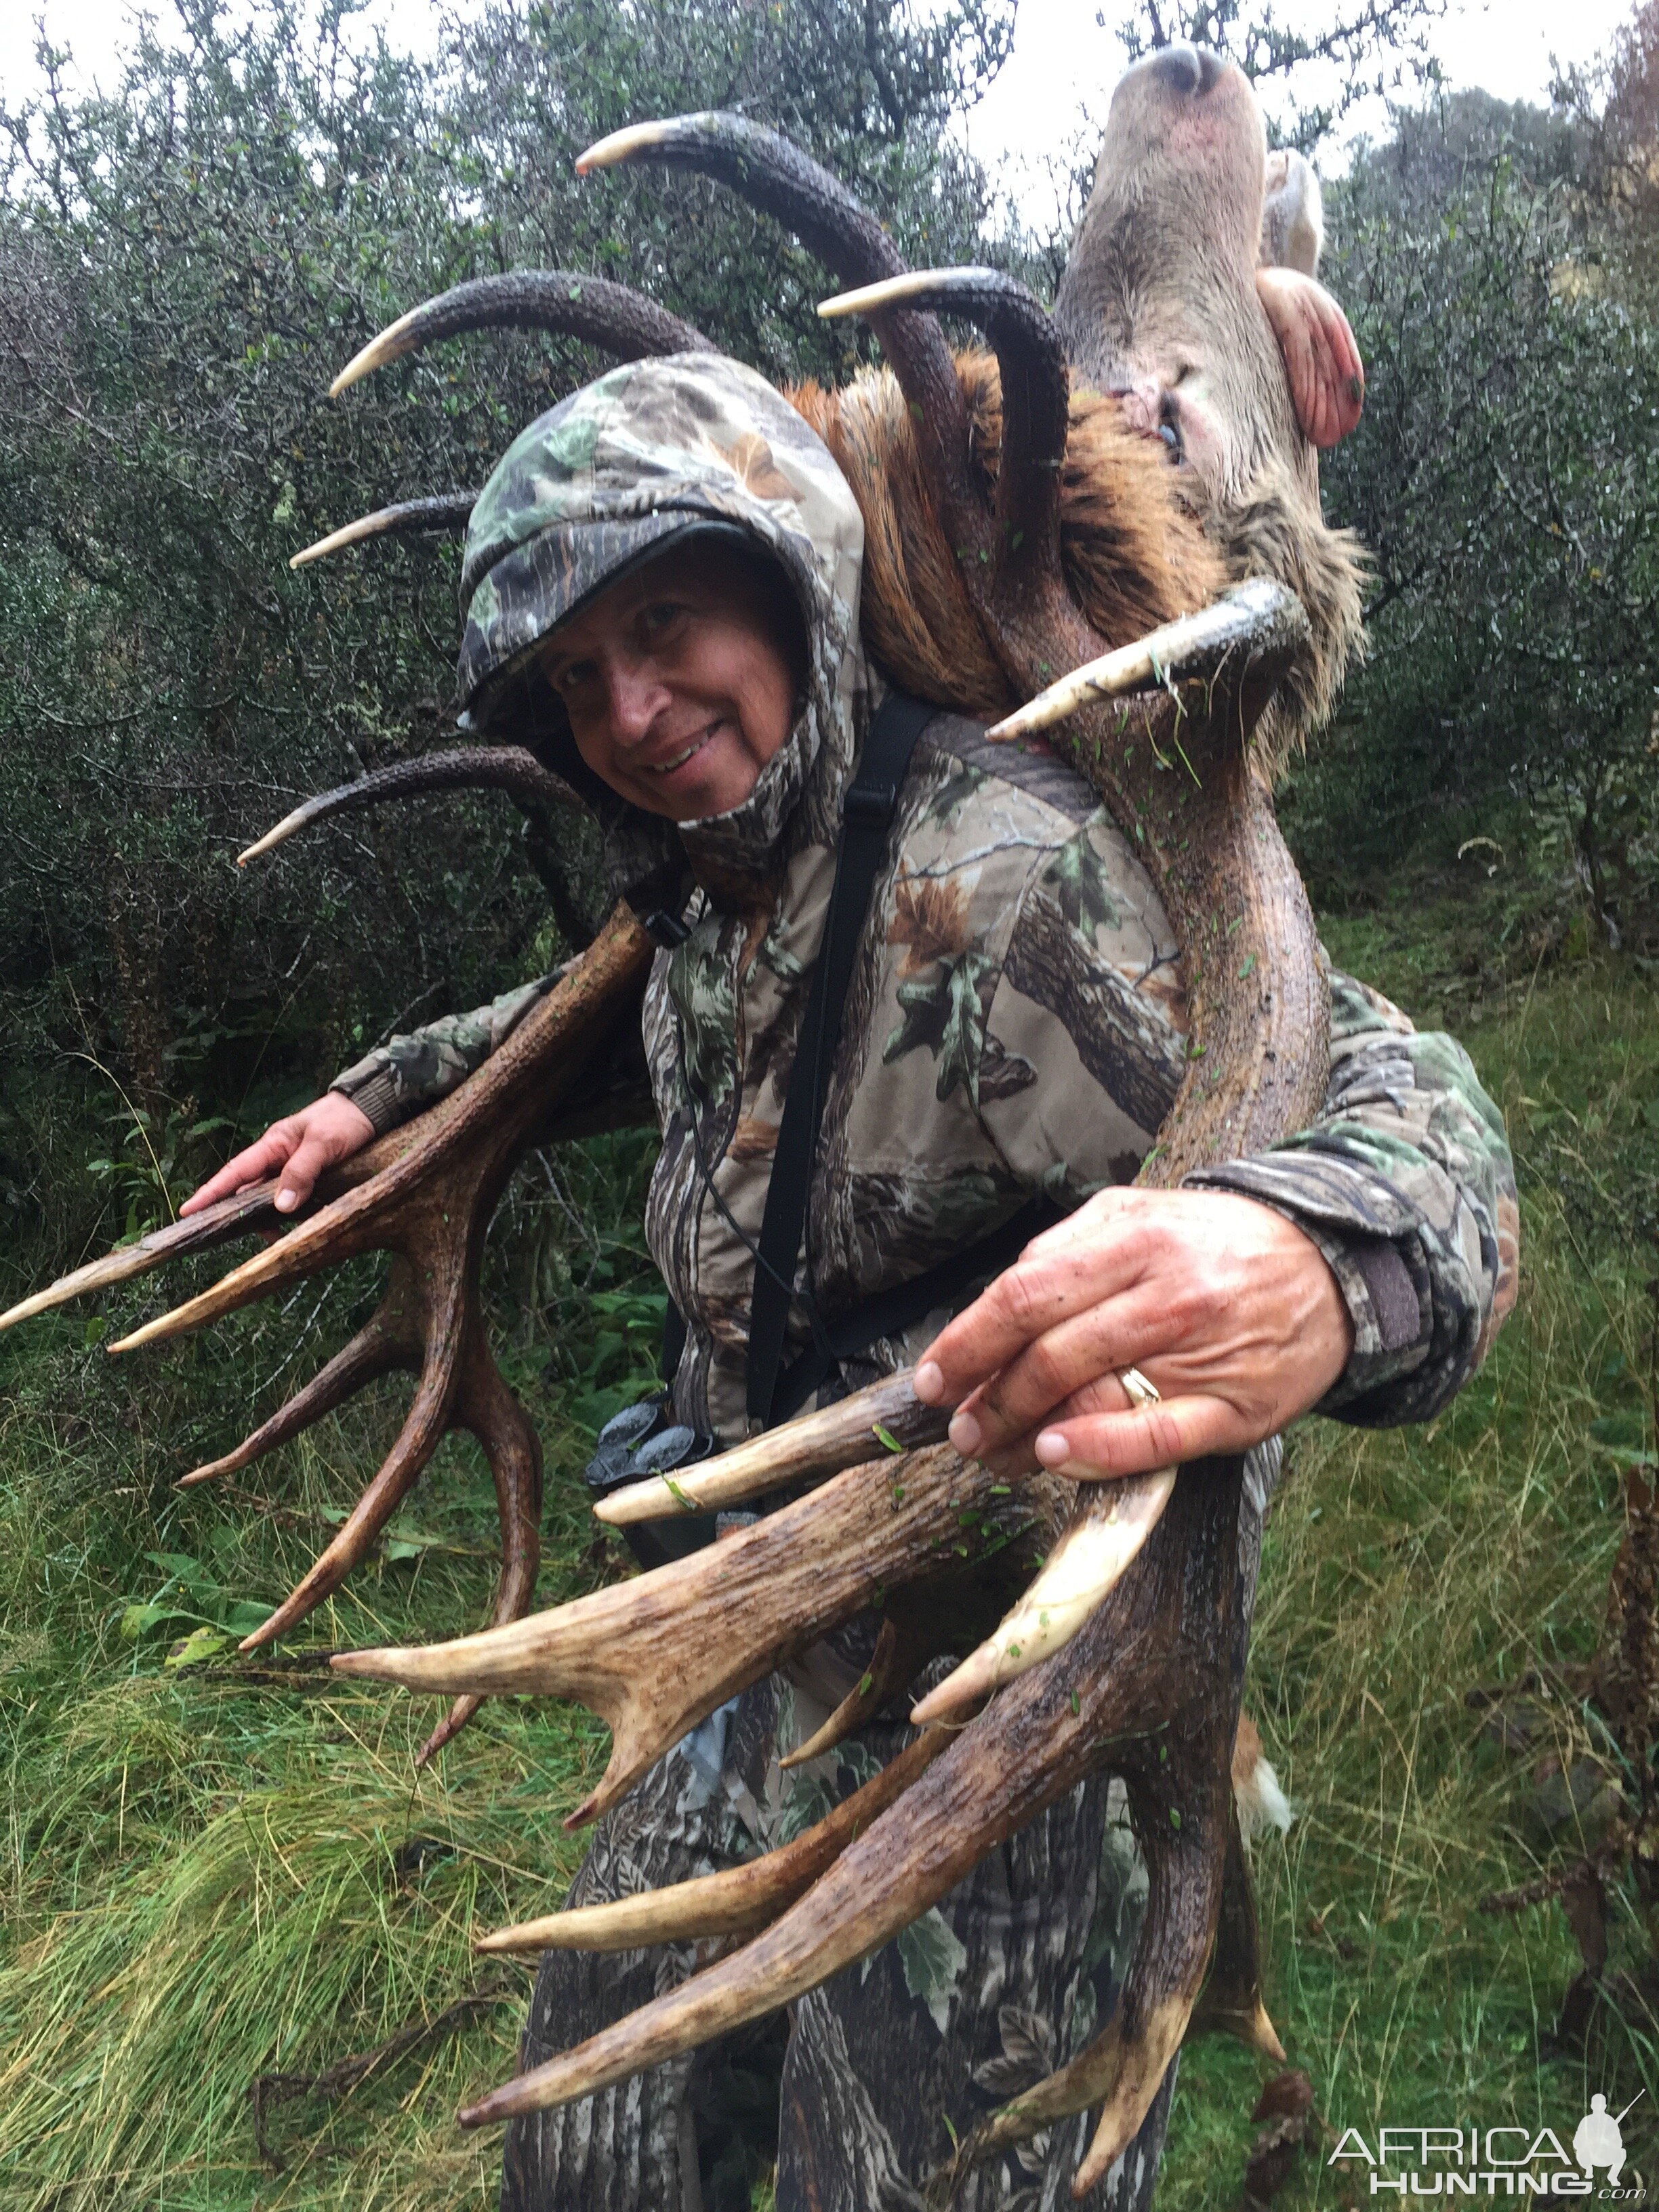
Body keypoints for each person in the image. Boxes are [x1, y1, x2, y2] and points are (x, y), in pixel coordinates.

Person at [185, 351, 1517, 2211]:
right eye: (579, 681)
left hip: (988, 1686)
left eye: (668, 625)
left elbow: (1390, 1081)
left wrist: (1321, 1256)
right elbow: (651, 1019)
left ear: (794, 575)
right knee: (589, 2142)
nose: (634, 711)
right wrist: (381, 1095)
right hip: (748, 1623)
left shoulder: (1005, 871)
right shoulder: (718, 879)